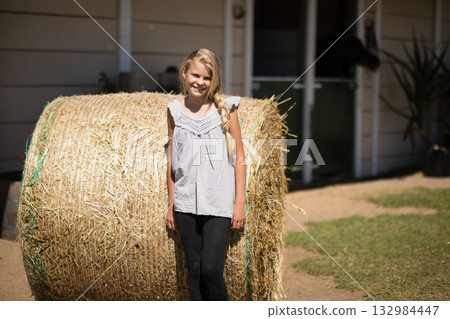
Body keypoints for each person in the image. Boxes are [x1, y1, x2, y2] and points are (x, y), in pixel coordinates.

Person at [166, 48, 247, 301]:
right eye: (195, 75)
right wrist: (171, 205)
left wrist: (240, 202)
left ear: (214, 80)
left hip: (218, 202)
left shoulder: (227, 109)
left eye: (207, 77)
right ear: (185, 73)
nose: (199, 82)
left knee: (211, 270)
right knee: (195, 273)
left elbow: (239, 157)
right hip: (186, 203)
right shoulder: (173, 112)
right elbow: (171, 162)